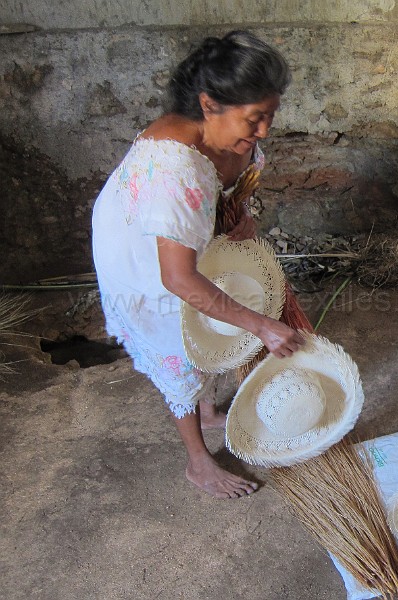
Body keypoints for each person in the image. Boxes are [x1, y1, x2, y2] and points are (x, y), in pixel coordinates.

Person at [92, 31, 305, 499]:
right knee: (181, 348)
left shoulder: (222, 137)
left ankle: (208, 411)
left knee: (211, 333)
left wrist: (239, 214)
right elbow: (177, 278)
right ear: (209, 105)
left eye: (270, 115)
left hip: (175, 242)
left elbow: (231, 186)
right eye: (255, 118)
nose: (265, 130)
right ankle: (198, 461)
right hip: (145, 259)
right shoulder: (177, 173)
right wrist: (263, 326)